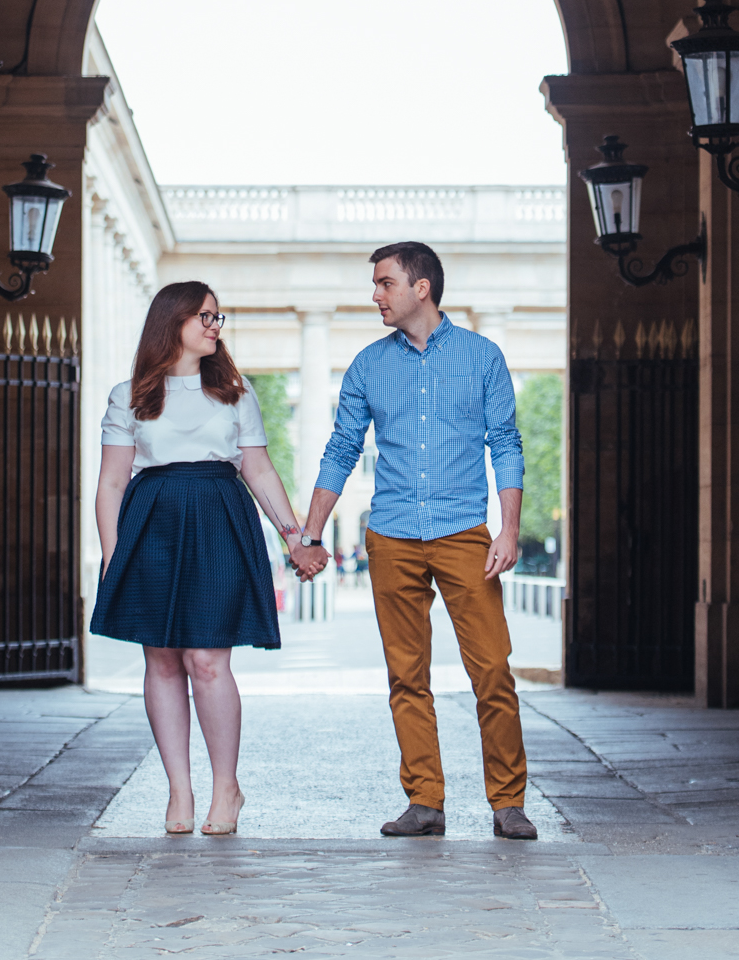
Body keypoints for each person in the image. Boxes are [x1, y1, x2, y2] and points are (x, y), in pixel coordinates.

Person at [301, 242, 537, 841]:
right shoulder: (366, 367)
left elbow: (505, 444)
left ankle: (508, 801)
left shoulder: (483, 358)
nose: (375, 294)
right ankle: (424, 800)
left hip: (465, 535)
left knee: (492, 672)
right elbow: (341, 451)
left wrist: (508, 529)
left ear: (421, 287)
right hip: (392, 536)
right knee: (407, 675)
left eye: (384, 283)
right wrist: (311, 532)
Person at [91, 281, 328, 835]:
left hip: (221, 519)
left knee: (208, 660)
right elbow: (110, 483)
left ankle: (228, 787)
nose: (215, 325)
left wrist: (295, 537)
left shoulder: (236, 395)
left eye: (219, 317)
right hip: (151, 525)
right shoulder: (128, 396)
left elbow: (260, 471)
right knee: (162, 660)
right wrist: (111, 555)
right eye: (205, 316)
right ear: (171, 321)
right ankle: (179, 790)